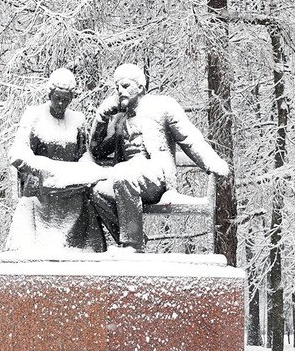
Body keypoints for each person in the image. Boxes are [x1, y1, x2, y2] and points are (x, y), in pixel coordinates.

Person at [89, 63, 229, 252]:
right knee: (99, 193)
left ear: (140, 87)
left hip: (156, 176)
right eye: (117, 87)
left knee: (123, 175)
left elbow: (189, 138)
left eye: (125, 85)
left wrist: (212, 162)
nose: (120, 91)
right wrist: (101, 119)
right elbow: (97, 151)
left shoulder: (162, 106)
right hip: (127, 179)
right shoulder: (119, 118)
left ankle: (133, 245)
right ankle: (132, 239)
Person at [5, 68, 107, 252]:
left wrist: (89, 171)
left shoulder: (77, 120)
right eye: (57, 98)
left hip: (71, 189)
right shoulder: (33, 116)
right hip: (41, 190)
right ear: (50, 94)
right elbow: (17, 152)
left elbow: (83, 155)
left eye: (65, 100)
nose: (61, 103)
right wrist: (41, 167)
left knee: (85, 204)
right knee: (33, 206)